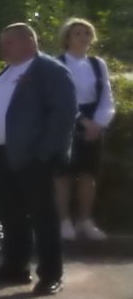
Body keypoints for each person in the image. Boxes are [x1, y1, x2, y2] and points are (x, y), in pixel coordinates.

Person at [0, 23, 80, 295]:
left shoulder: (50, 71)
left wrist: (45, 153)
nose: (3, 47)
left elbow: (64, 114)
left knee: (44, 216)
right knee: (12, 214)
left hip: (34, 157)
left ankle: (51, 274)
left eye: (9, 42)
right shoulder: (9, 71)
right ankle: (15, 267)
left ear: (29, 43)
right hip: (4, 155)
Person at [54, 18, 113, 243]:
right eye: (77, 33)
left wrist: (99, 122)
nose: (82, 37)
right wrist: (82, 120)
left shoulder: (98, 64)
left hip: (94, 125)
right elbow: (59, 97)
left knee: (89, 174)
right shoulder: (58, 63)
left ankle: (85, 221)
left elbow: (106, 97)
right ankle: (63, 221)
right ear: (68, 38)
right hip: (66, 122)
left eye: (86, 33)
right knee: (64, 175)